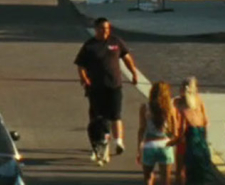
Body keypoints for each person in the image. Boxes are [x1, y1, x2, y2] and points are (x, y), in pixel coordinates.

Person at [77, 17, 140, 163]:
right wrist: (84, 78)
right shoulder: (89, 45)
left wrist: (134, 73)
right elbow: (80, 65)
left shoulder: (116, 42)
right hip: (96, 88)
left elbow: (127, 58)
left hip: (114, 85)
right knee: (97, 118)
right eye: (101, 28)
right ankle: (97, 143)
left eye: (107, 28)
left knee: (115, 114)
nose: (105, 31)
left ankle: (119, 142)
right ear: (96, 29)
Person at [138, 81, 180, 185]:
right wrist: (170, 142)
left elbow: (142, 129)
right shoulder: (170, 109)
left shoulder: (145, 107)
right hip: (165, 145)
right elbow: (175, 132)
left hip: (149, 145)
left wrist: (139, 149)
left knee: (148, 177)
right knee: (165, 179)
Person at [175, 77, 213, 185]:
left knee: (180, 170)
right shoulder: (198, 101)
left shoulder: (178, 102)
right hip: (199, 138)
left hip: (185, 139)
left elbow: (180, 124)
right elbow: (206, 121)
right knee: (200, 171)